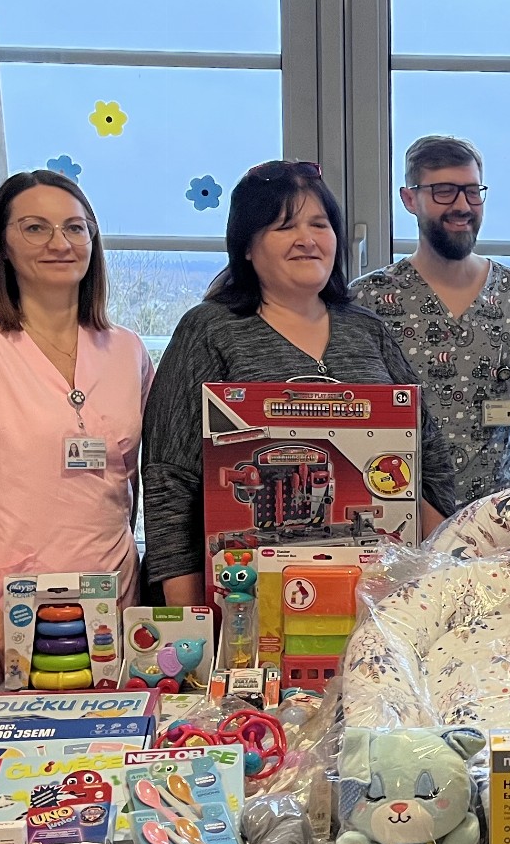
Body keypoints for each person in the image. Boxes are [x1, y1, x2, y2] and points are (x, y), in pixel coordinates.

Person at [144, 160, 459, 604]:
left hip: (373, 597)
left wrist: (436, 573)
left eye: (319, 224)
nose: (307, 239)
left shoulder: (367, 330)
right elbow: (169, 480)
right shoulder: (209, 330)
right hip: (244, 598)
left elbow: (428, 459)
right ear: (247, 245)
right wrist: (192, 616)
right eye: (285, 226)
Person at [0, 171, 152, 695]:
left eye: (75, 227)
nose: (59, 243)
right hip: (1, 618)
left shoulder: (126, 350)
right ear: (2, 244)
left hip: (107, 611)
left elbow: (130, 481)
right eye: (35, 228)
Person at [350, 135, 510, 509]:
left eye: (472, 191)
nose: (462, 205)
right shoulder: (367, 301)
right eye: (444, 191)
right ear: (410, 199)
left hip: (494, 517)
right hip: (397, 509)